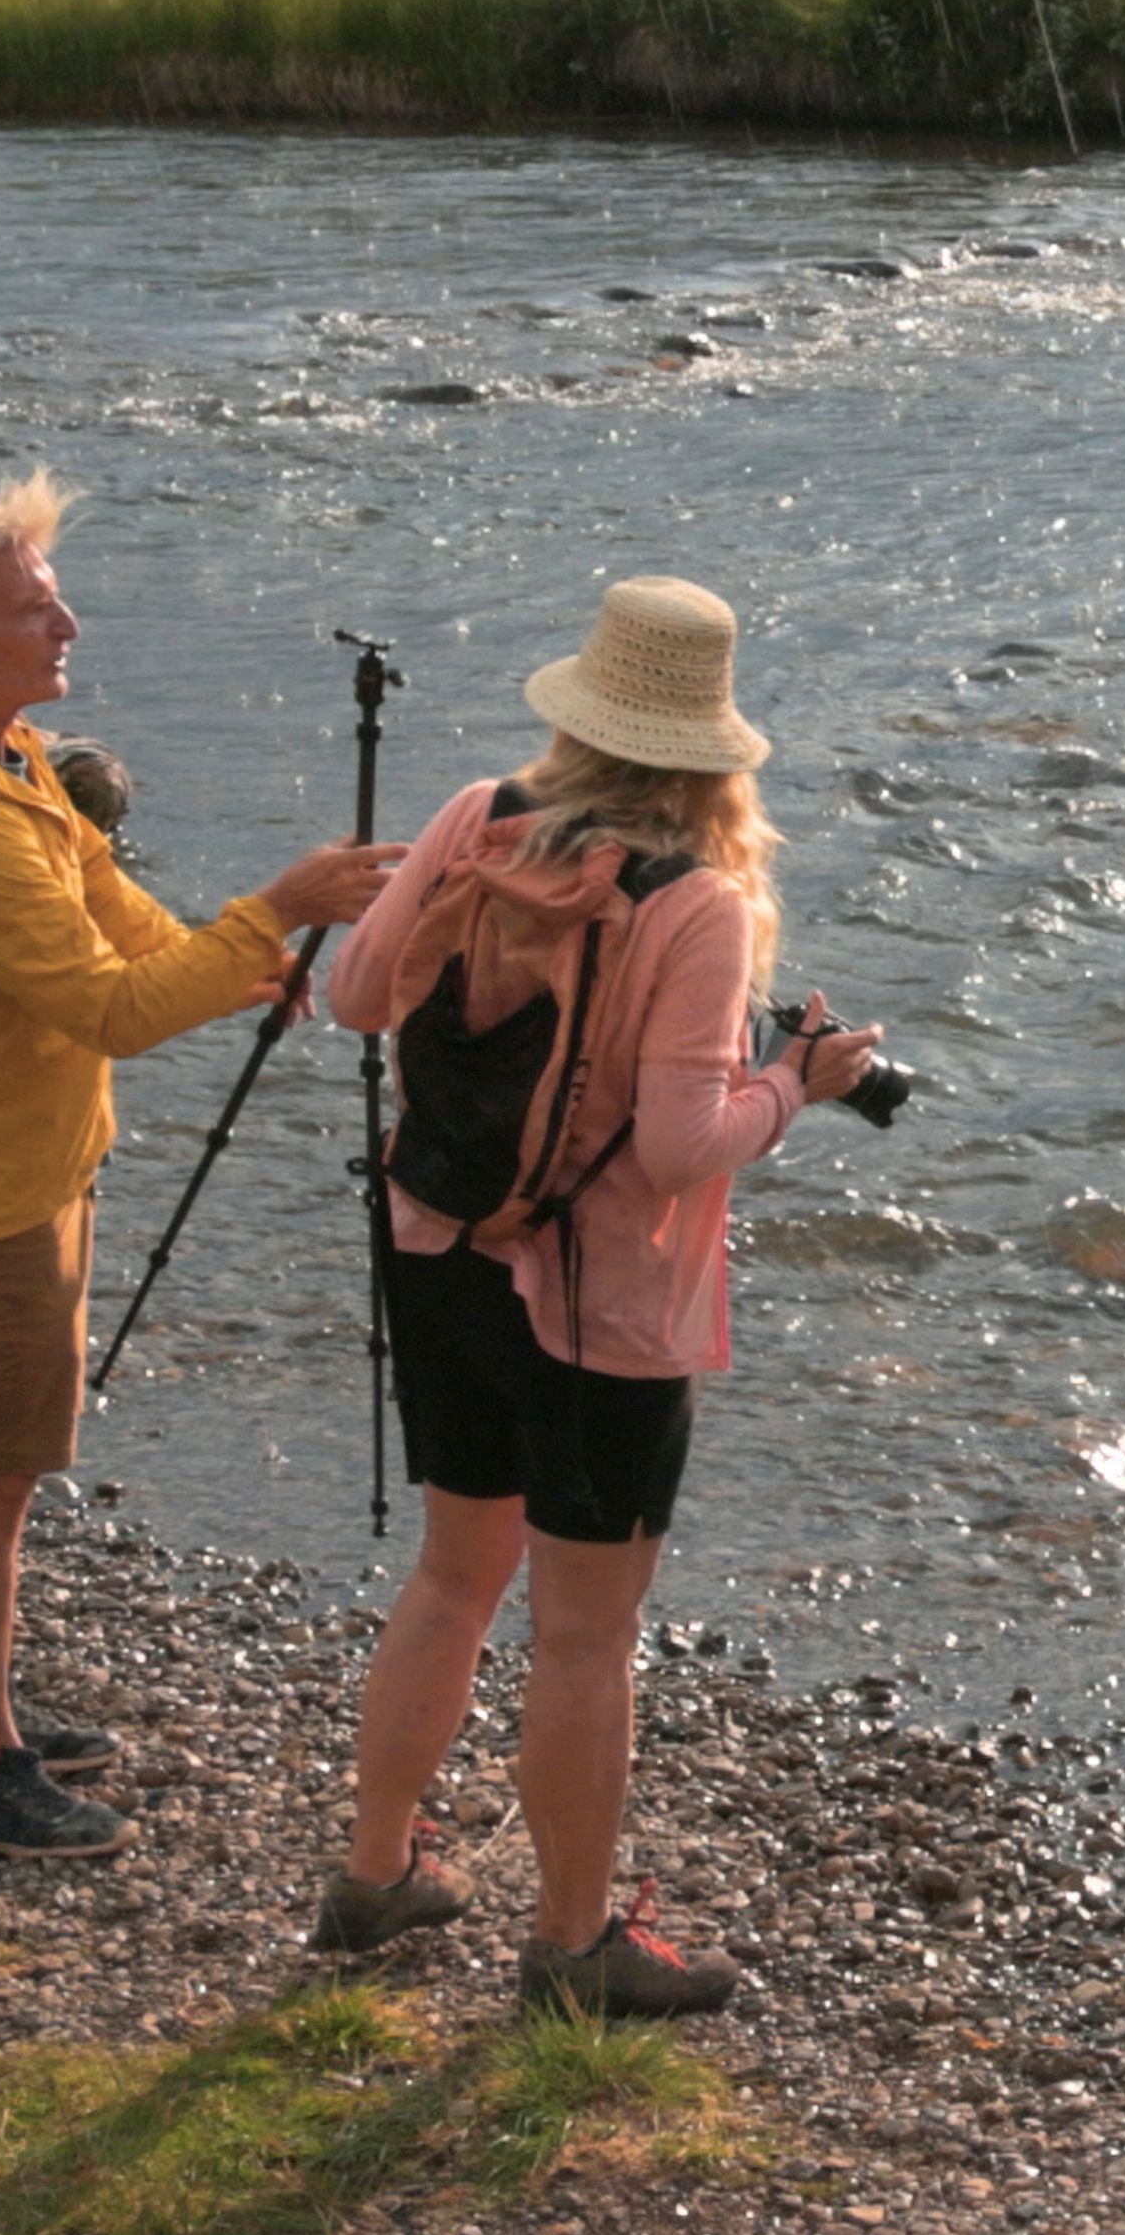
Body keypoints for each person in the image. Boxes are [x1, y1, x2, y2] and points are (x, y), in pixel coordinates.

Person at [309, 574, 878, 2020]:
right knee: (582, 1635)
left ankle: (377, 1873)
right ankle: (573, 1948)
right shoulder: (698, 905)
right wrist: (790, 1089)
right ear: (714, 746)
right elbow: (686, 1144)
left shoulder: (475, 815)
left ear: (584, 705)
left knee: (451, 1576)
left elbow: (359, 999)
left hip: (437, 1245)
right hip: (602, 1309)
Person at [0, 470, 401, 1860]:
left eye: (54, 599)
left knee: (6, 1461)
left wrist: (242, 964)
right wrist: (274, 910)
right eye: (32, 609)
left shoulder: (10, 762)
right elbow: (103, 1007)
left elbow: (123, 921)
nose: (67, 624)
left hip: (35, 1168)